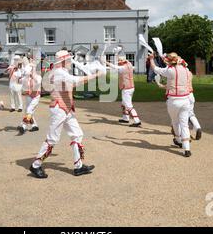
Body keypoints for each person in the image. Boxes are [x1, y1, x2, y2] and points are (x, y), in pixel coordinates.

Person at [29, 50, 103, 179]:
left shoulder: (62, 72)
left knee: (77, 134)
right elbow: (75, 81)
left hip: (67, 109)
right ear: (63, 61)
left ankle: (78, 166)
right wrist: (96, 75)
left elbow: (73, 83)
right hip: (59, 109)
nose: (70, 62)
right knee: (52, 139)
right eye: (68, 60)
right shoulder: (58, 72)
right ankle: (35, 165)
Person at [149, 52, 192, 157]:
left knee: (175, 122)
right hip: (186, 100)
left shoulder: (170, 71)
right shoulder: (186, 70)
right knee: (184, 124)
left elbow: (155, 68)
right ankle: (187, 148)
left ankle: (178, 139)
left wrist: (151, 59)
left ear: (169, 61)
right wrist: (166, 60)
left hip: (174, 100)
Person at [104, 55, 141, 127]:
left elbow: (115, 67)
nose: (119, 62)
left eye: (120, 60)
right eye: (119, 60)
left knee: (128, 105)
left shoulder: (123, 67)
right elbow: (119, 65)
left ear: (123, 61)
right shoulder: (129, 64)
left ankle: (137, 120)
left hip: (126, 88)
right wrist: (118, 55)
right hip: (130, 87)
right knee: (124, 104)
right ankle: (125, 118)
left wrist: (105, 62)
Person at [17, 57, 41, 134]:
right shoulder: (26, 78)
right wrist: (20, 70)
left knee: (29, 110)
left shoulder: (38, 77)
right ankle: (34, 125)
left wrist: (33, 69)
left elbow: (37, 82)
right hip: (29, 96)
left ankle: (23, 126)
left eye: (31, 70)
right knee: (28, 112)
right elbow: (19, 81)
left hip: (36, 96)